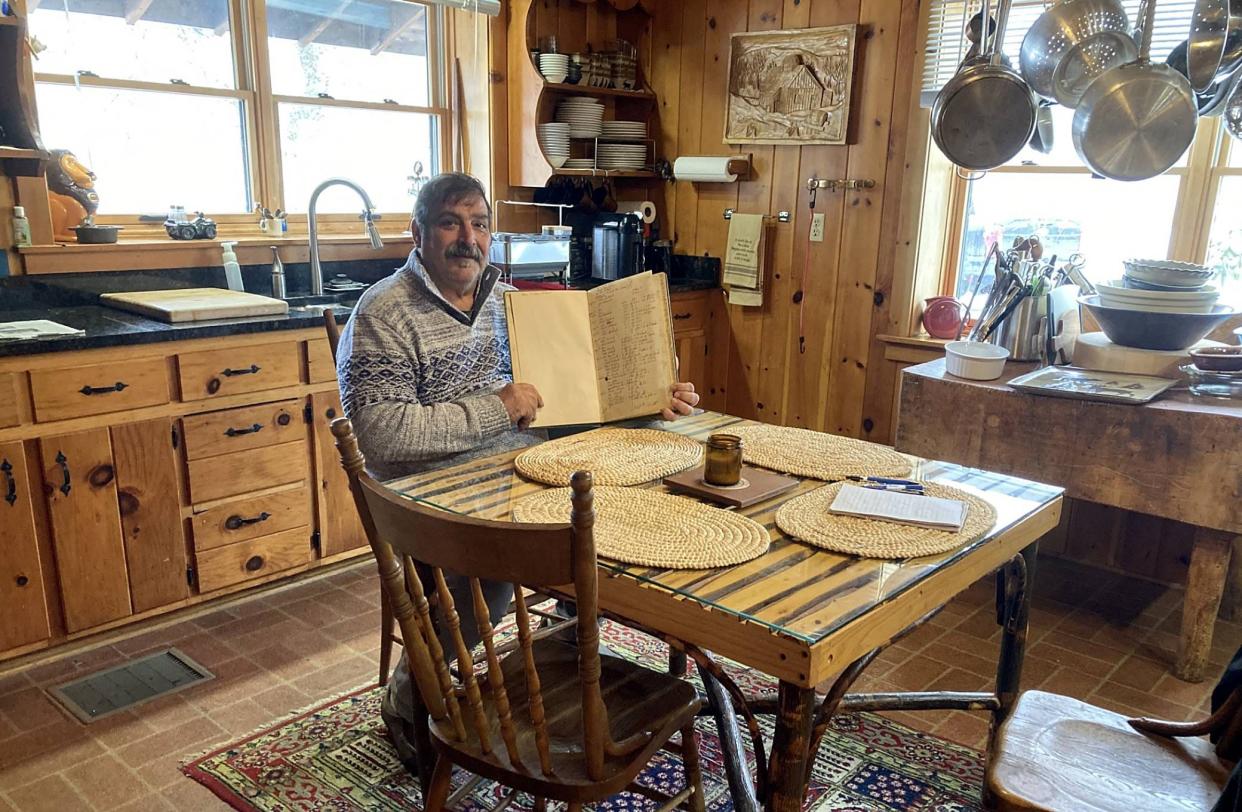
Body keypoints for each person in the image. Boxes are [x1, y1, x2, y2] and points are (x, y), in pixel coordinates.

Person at [335, 171, 700, 771]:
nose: (467, 238)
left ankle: (570, 641)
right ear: (417, 232)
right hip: (428, 494)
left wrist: (643, 397)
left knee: (628, 495)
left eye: (479, 224)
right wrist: (496, 409)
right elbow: (383, 434)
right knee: (502, 569)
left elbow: (560, 398)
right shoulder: (384, 312)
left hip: (519, 465)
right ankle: (408, 696)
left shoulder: (509, 301)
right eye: (451, 223)